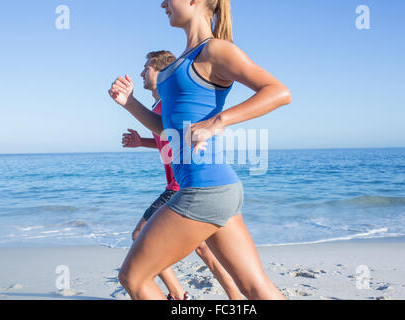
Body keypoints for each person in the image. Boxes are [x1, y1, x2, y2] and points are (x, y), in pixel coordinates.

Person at [108, 0, 292, 300]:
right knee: (255, 289)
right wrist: (129, 102)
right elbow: (168, 132)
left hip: (204, 189)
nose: (163, 3)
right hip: (217, 188)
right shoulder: (180, 62)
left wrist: (218, 121)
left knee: (134, 278)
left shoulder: (215, 50)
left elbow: (278, 92)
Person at [115, 50, 243, 300]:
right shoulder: (159, 105)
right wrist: (142, 142)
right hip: (189, 185)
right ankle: (234, 297)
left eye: (147, 67)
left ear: (162, 71)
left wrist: (204, 135)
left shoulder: (168, 102)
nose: (142, 72)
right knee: (205, 250)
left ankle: (177, 293)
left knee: (139, 234)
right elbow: (169, 137)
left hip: (180, 186)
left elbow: (184, 131)